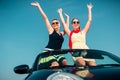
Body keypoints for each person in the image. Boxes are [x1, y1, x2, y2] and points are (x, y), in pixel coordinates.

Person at [31, 1, 69, 68]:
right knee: (55, 64)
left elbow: (66, 29)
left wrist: (67, 18)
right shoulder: (51, 31)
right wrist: (38, 6)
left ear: (59, 24)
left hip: (57, 53)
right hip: (49, 52)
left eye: (56, 23)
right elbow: (45, 18)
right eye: (53, 23)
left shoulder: (61, 33)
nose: (55, 24)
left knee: (65, 63)